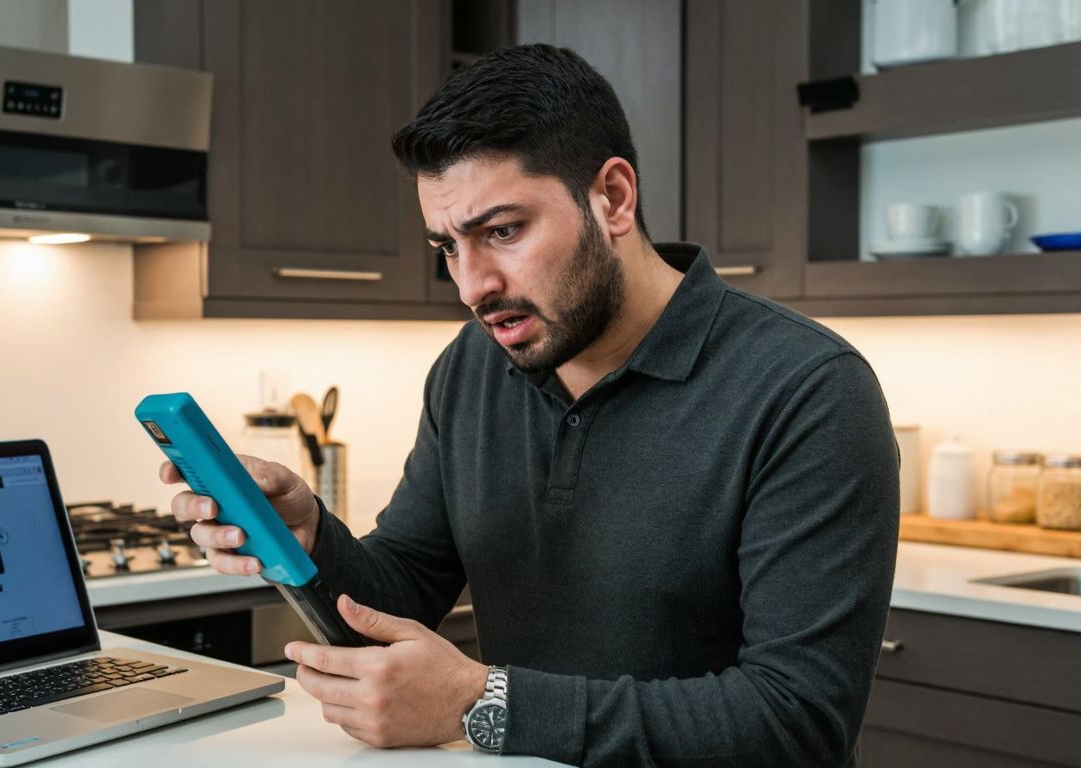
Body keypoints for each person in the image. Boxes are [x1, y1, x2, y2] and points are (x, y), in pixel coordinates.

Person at [161, 44, 898, 767]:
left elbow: (799, 720)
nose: (471, 285)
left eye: (502, 231)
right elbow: (407, 587)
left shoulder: (809, 390)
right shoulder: (473, 366)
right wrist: (311, 537)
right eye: (447, 246)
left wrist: (483, 704)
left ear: (612, 197)